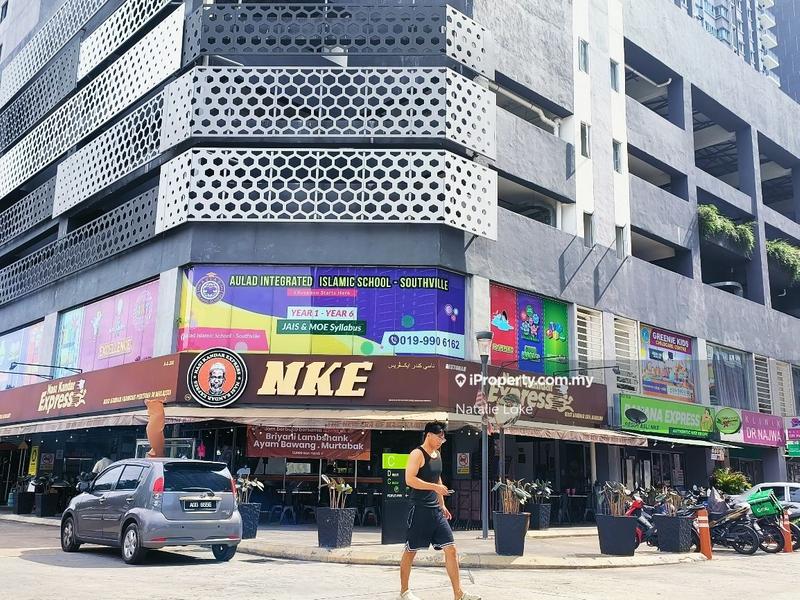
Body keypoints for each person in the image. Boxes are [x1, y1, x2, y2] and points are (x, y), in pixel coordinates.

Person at [399, 421, 480, 600]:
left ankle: (458, 594)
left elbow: (437, 479)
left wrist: (442, 504)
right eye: (439, 437)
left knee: (451, 549)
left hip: (435, 511)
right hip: (419, 509)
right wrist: (435, 488)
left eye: (443, 439)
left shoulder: (438, 454)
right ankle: (404, 592)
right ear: (429, 435)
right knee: (411, 551)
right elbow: (410, 479)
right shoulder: (417, 454)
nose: (441, 441)